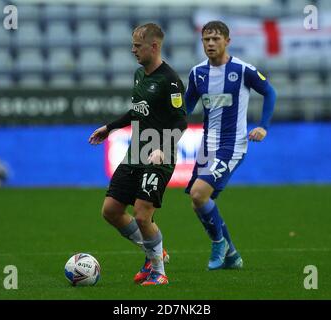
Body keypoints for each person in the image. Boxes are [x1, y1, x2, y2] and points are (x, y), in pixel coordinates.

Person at [88, 23, 187, 285]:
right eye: (132, 45)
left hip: (159, 156)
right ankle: (154, 251)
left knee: (143, 215)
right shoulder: (139, 75)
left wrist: (163, 148)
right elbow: (137, 112)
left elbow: (181, 122)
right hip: (136, 153)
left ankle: (158, 272)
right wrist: (109, 128)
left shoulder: (170, 81)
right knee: (111, 210)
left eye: (137, 46)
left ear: (153, 46)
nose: (133, 50)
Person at [184, 21, 276, 270]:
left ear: (227, 41)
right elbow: (185, 107)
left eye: (216, 39)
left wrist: (263, 125)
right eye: (206, 39)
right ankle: (232, 256)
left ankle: (218, 243)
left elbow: (270, 92)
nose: (210, 43)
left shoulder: (242, 69)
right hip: (207, 145)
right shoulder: (197, 73)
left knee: (198, 194)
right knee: (199, 202)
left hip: (233, 144)